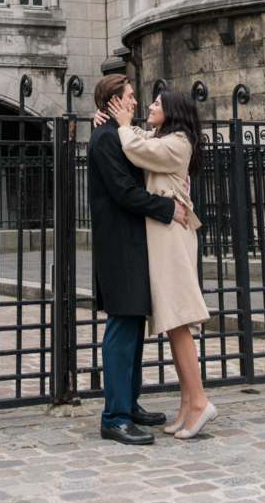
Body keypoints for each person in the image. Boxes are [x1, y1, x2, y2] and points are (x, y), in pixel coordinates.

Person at [99, 87, 217, 440]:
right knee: (173, 321)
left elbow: (136, 147)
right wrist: (106, 122)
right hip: (162, 236)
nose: (147, 106)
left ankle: (199, 402)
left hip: (172, 237)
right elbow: (138, 137)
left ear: (173, 112)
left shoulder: (179, 142)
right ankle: (186, 405)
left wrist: (120, 123)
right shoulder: (165, 135)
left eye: (156, 103)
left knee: (178, 319)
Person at [87, 73, 190, 445]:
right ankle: (113, 417)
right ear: (113, 102)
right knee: (121, 328)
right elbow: (124, 192)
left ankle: (128, 404)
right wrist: (167, 208)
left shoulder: (115, 133)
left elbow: (146, 149)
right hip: (119, 244)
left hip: (133, 242)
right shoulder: (105, 138)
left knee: (132, 331)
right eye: (129, 97)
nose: (135, 102)